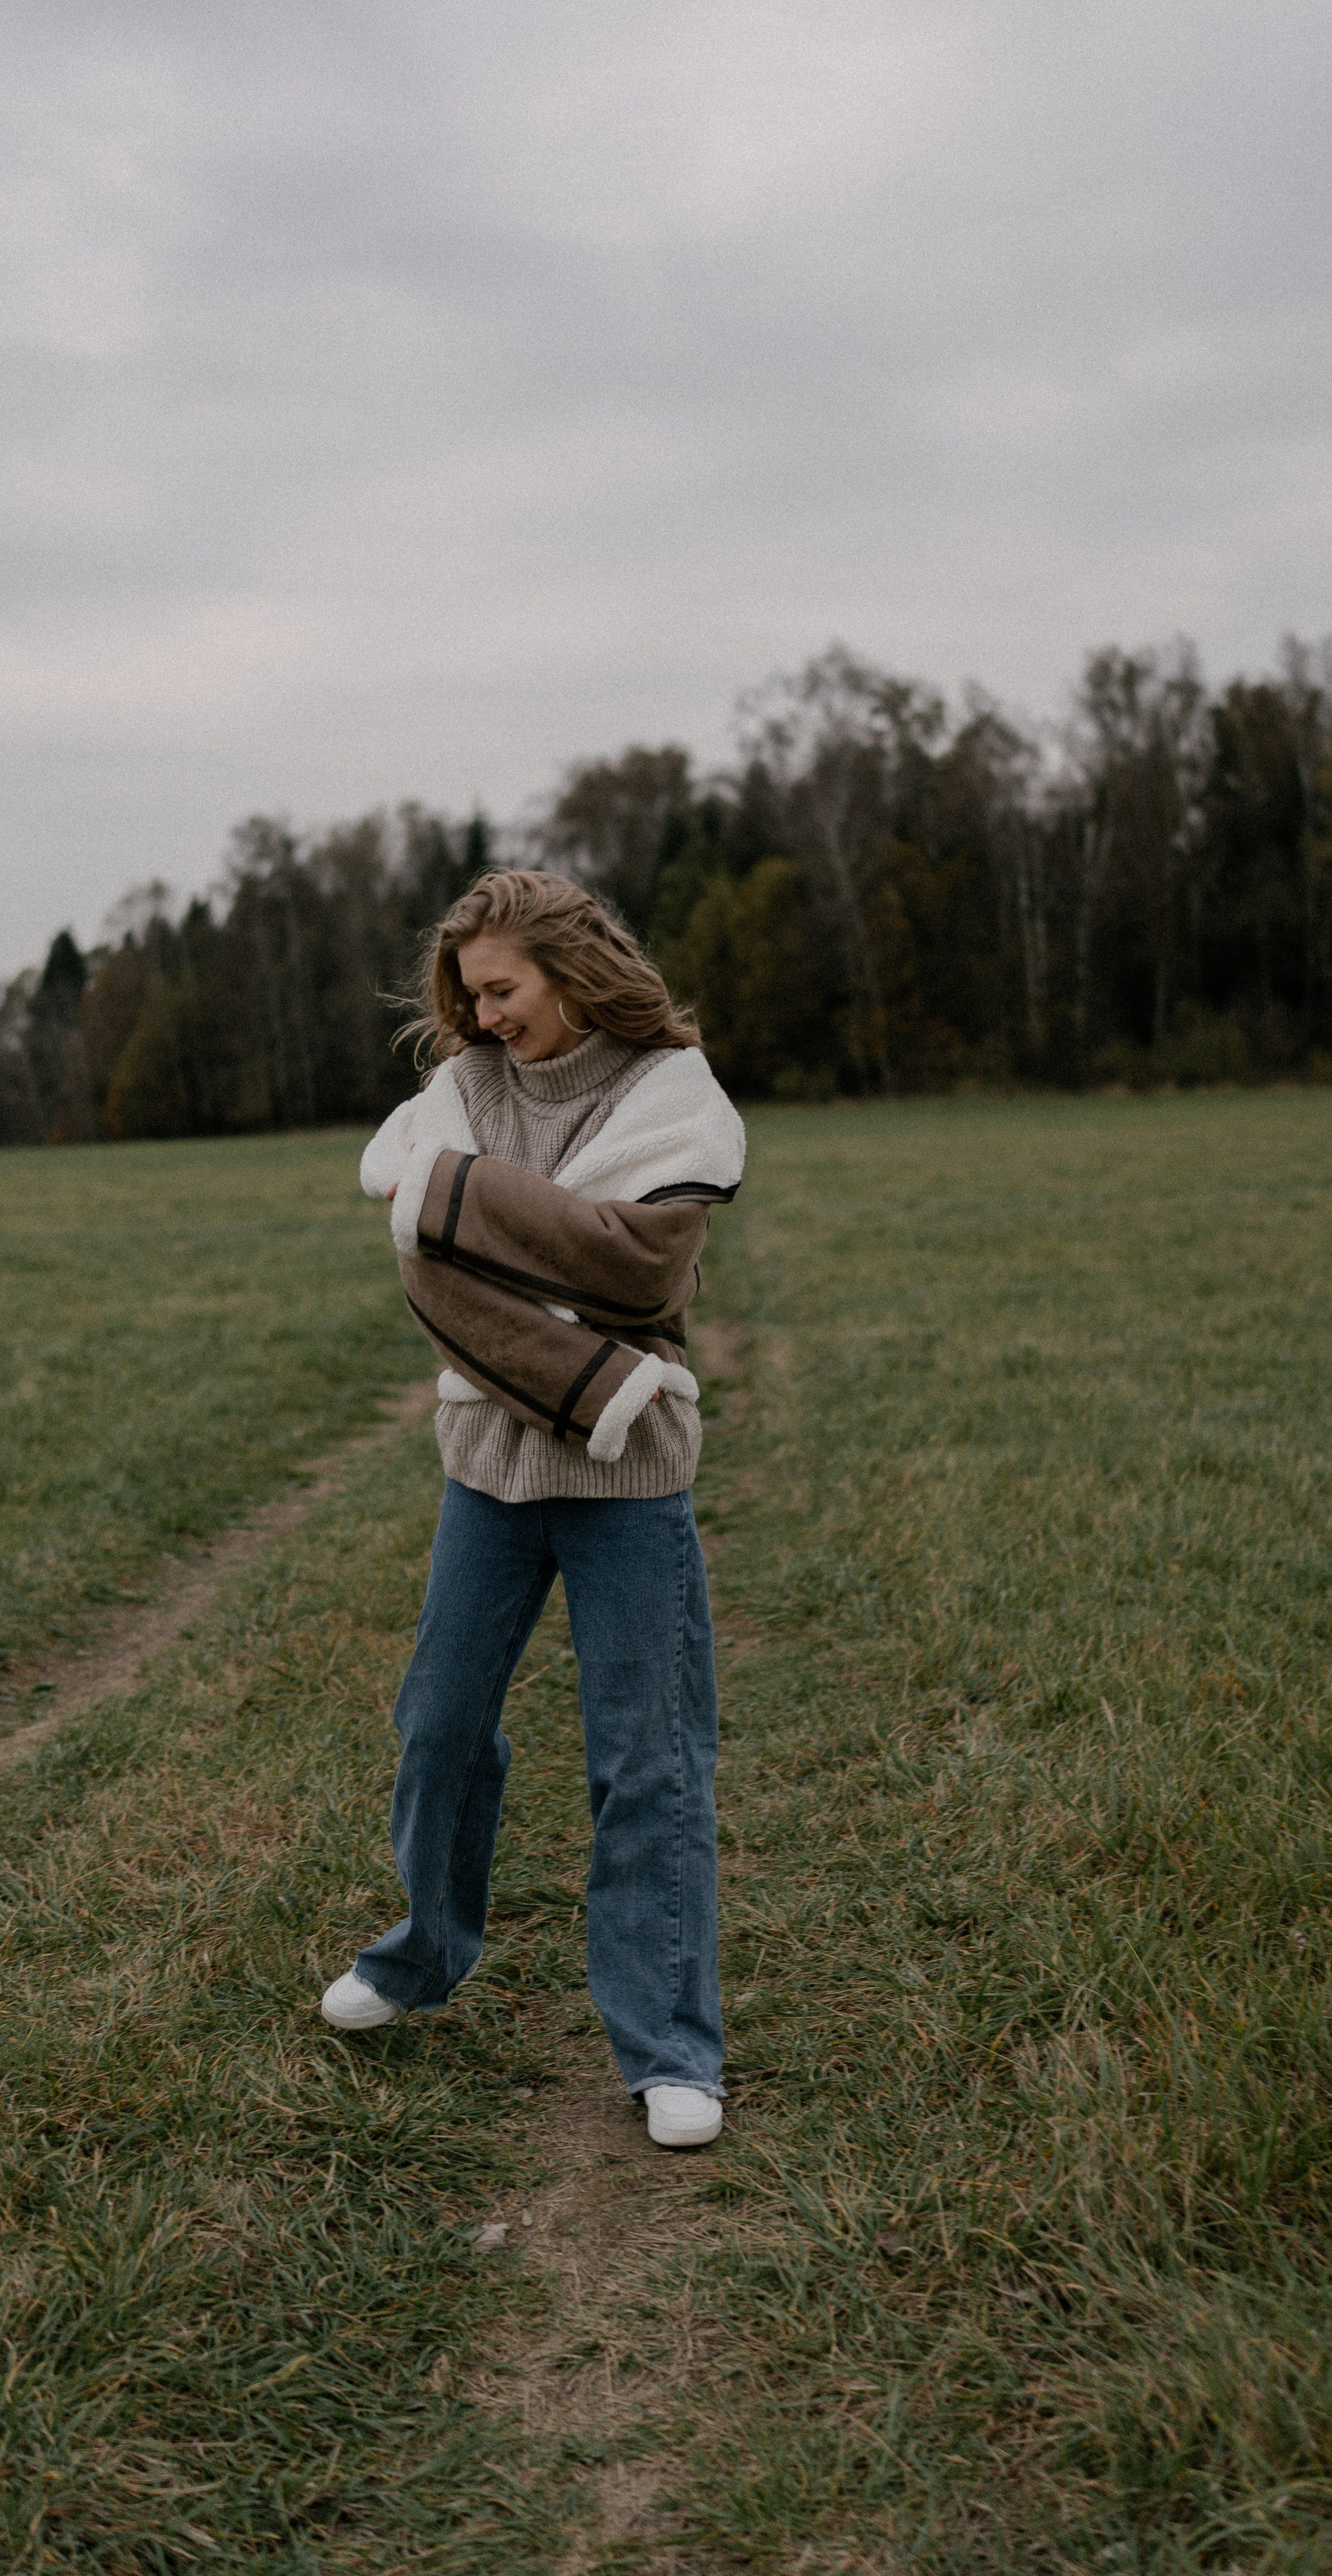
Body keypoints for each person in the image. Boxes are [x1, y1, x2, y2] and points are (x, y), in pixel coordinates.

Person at [320, 870, 745, 2149]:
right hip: (486, 1467)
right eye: (467, 996)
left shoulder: (673, 1096)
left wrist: (468, 1211)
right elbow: (427, 1244)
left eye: (499, 989)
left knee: (647, 1760)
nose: (483, 1016)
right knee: (440, 1725)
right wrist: (528, 1252)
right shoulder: (457, 1096)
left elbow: (638, 1263)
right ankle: (418, 1957)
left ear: (566, 968)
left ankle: (672, 2049)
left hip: (630, 1470)